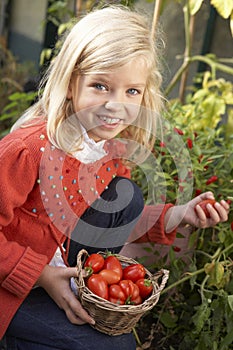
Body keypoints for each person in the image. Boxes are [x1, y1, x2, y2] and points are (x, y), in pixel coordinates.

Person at [0, 5, 229, 350]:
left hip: (56, 261)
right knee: (114, 347)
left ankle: (71, 299)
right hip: (11, 284)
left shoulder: (107, 147)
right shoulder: (26, 151)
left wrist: (177, 215)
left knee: (125, 193)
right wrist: (42, 275)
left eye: (131, 91)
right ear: (70, 83)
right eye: (100, 86)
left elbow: (116, 216)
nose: (115, 106)